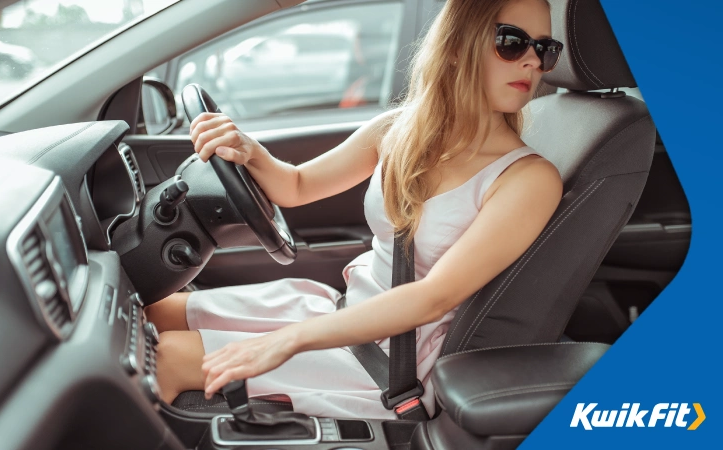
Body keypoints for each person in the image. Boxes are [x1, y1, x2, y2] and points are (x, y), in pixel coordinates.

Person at [145, 0, 564, 420]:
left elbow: (433, 298)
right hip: (343, 311)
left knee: (168, 356)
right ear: (455, 45)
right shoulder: (399, 129)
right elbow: (297, 185)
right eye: (512, 43)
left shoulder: (528, 179)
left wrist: (286, 340)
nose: (532, 62)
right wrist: (249, 151)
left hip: (395, 361)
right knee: (155, 310)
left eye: (545, 50)